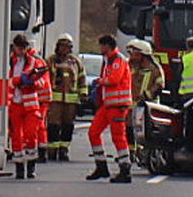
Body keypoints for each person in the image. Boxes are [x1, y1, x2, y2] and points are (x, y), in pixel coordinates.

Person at [86, 34, 133, 182]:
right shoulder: (108, 60)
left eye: (102, 45)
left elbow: (114, 79)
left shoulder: (118, 60)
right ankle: (101, 167)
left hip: (118, 105)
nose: (100, 48)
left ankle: (125, 169)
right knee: (93, 132)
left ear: (107, 45)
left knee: (118, 137)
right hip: (108, 105)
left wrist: (99, 81)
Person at [7, 34, 50, 179]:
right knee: (16, 137)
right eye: (19, 47)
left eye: (24, 47)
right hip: (14, 103)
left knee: (31, 134)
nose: (22, 50)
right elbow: (8, 81)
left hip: (30, 104)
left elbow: (42, 82)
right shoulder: (9, 61)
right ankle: (19, 168)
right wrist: (19, 81)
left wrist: (32, 83)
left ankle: (31, 166)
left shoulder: (34, 62)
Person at [44, 33, 86, 162]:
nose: (64, 49)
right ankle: (52, 150)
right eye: (62, 46)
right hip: (54, 101)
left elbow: (81, 78)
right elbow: (45, 78)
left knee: (68, 127)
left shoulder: (75, 62)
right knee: (53, 126)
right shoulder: (50, 60)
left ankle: (64, 150)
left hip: (71, 102)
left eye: (67, 46)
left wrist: (83, 95)